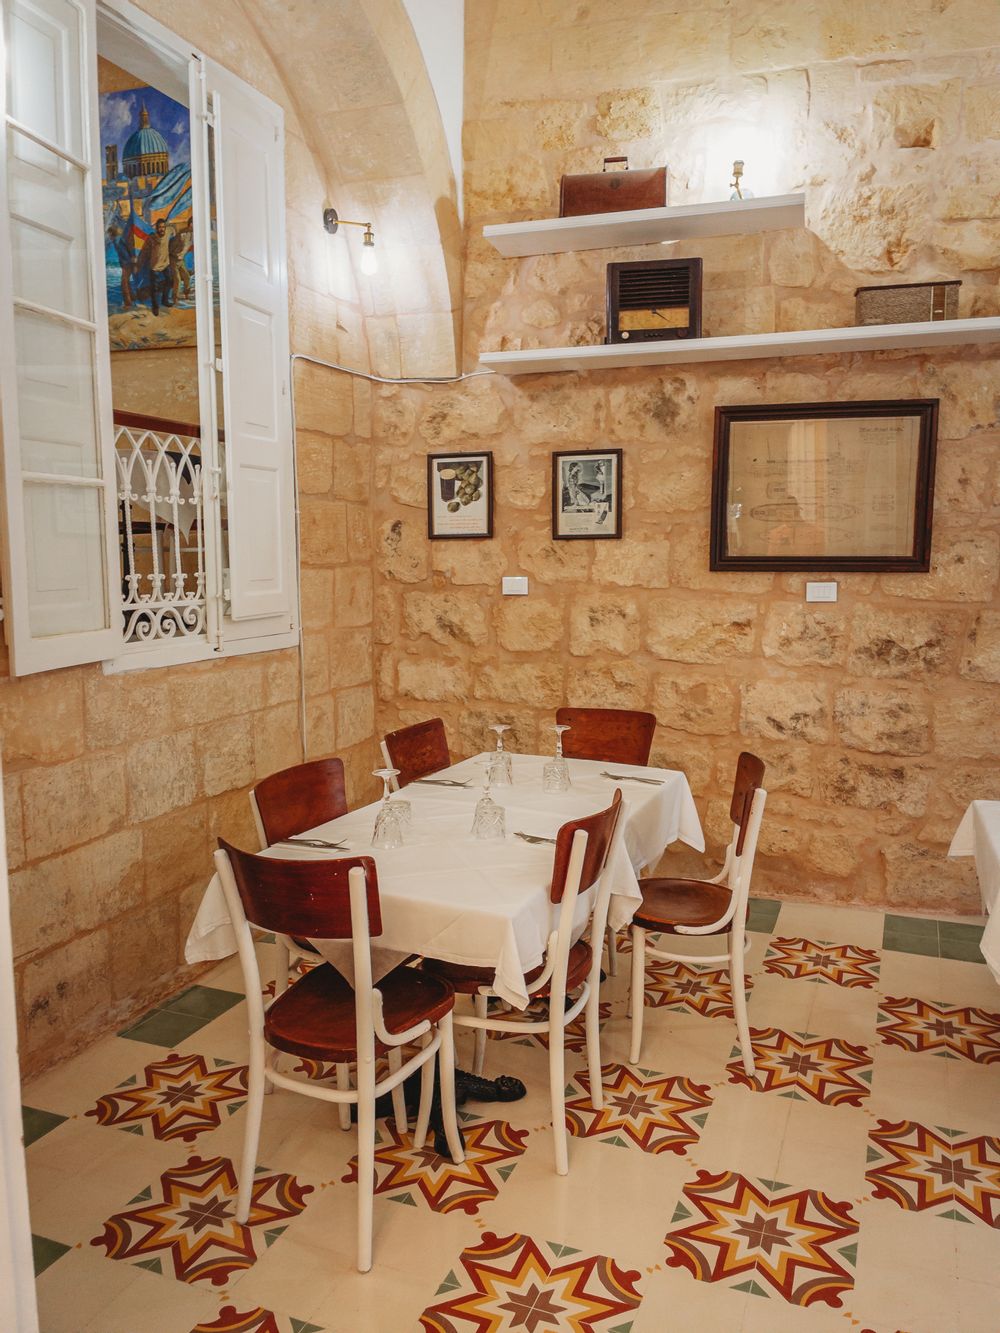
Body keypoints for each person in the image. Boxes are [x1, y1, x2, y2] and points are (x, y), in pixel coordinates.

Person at [138, 217, 174, 315]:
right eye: (159, 227)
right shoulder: (152, 238)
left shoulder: (168, 232)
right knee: (154, 288)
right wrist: (138, 264)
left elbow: (173, 230)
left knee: (170, 282)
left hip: (165, 264)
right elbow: (144, 251)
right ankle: (155, 307)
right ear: (156, 228)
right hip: (154, 267)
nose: (161, 229)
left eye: (163, 227)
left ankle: (164, 300)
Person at [107, 223, 134, 309]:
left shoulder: (117, 240)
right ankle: (132, 298)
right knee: (127, 282)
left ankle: (128, 303)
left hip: (127, 263)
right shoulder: (119, 239)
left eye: (109, 234)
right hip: (126, 263)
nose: (108, 236)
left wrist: (128, 261)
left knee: (124, 283)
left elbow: (126, 251)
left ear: (112, 233)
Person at [169, 221, 193, 302]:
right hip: (173, 259)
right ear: (190, 224)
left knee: (187, 277)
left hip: (181, 259)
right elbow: (171, 247)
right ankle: (175, 297)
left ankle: (186, 294)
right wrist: (174, 255)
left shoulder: (193, 234)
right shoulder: (181, 234)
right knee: (177, 279)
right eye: (192, 223)